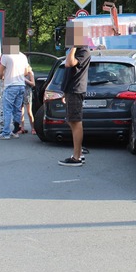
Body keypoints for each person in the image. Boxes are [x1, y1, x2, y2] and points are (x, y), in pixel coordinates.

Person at [58, 21, 92, 167]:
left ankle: (77, 157)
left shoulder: (83, 51)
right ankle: (77, 153)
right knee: (72, 121)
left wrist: (73, 46)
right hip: (71, 90)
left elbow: (69, 63)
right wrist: (64, 91)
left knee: (76, 122)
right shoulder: (78, 50)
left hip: (76, 90)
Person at [0, 40, 30, 140]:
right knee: (17, 110)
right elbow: (27, 71)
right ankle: (15, 131)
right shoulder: (23, 56)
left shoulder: (6, 56)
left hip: (10, 85)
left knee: (7, 110)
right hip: (21, 85)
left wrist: (3, 76)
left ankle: (5, 133)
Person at [21, 63, 36, 134]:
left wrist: (25, 80)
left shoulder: (30, 73)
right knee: (21, 112)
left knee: (29, 111)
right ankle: (22, 128)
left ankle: (33, 128)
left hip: (27, 92)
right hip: (20, 92)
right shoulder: (19, 73)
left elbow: (33, 84)